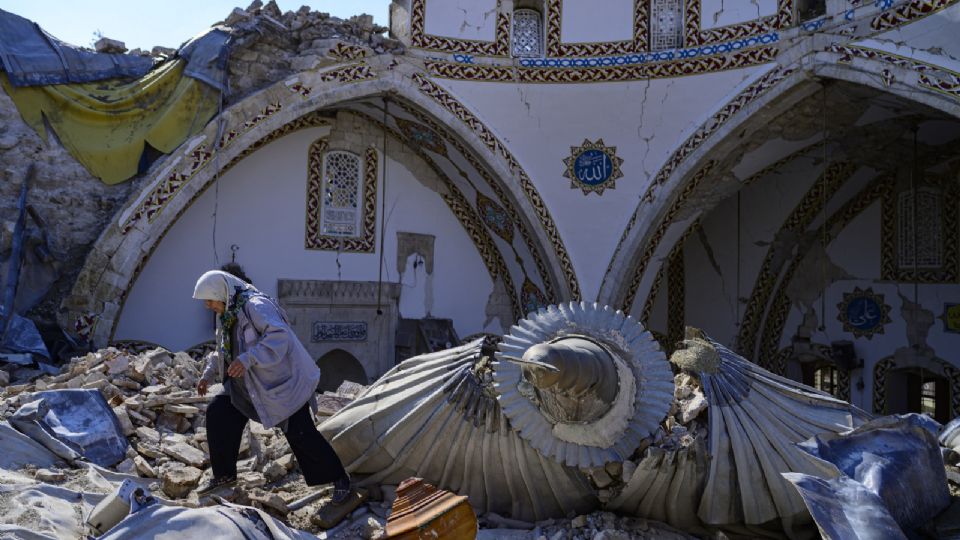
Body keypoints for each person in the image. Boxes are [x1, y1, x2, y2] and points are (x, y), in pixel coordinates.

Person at [192, 270, 352, 505]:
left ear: (221, 293)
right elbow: (223, 348)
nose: (207, 305)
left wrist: (248, 358)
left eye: (209, 299)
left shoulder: (255, 306)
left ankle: (340, 480)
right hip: (246, 386)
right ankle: (224, 475)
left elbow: (280, 337)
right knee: (220, 411)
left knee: (301, 433)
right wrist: (207, 374)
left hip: (282, 383)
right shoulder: (226, 314)